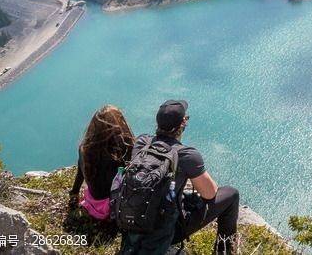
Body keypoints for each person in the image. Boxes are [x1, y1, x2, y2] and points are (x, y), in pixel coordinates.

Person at [120, 99, 240, 255]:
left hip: (131, 224)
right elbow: (210, 194)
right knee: (231, 194)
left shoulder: (142, 142)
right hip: (165, 232)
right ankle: (223, 251)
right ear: (183, 123)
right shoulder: (187, 155)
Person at [70, 105, 134, 220]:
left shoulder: (84, 148)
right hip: (113, 208)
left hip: (93, 204)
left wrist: (74, 193)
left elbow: (80, 172)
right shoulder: (123, 151)